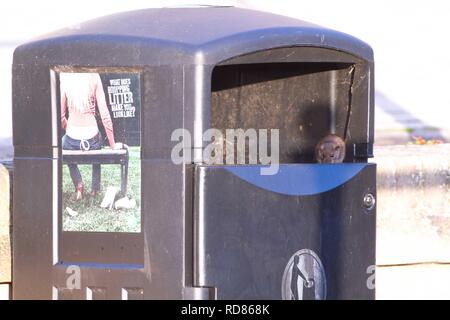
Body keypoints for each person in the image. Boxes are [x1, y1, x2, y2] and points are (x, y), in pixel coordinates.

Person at [60, 72, 121, 200]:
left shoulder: (65, 77)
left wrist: (69, 129)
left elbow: (61, 116)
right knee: (98, 144)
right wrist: (112, 144)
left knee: (63, 144)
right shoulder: (94, 76)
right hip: (92, 138)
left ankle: (78, 184)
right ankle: (94, 189)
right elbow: (105, 115)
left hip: (71, 137)